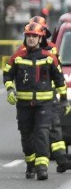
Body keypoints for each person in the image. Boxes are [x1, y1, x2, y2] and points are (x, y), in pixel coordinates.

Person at [4, 22, 68, 180]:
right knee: (26, 137)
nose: (31, 39)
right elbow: (7, 75)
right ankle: (30, 164)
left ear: (40, 39)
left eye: (35, 36)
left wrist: (64, 101)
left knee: (42, 133)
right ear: (25, 37)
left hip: (45, 105)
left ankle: (42, 168)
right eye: (29, 36)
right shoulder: (17, 57)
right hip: (24, 105)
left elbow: (60, 81)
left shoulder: (49, 58)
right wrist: (10, 89)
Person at [28, 16, 70, 172]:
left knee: (52, 127)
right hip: (32, 97)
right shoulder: (24, 51)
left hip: (48, 94)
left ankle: (57, 160)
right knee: (36, 130)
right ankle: (34, 163)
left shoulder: (52, 49)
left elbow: (57, 72)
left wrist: (62, 96)